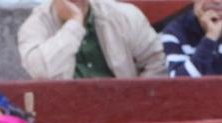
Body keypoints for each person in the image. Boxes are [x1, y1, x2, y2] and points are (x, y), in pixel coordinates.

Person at [17, 0, 167, 80]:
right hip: (67, 116)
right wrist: (74, 24)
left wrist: (136, 100)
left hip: (125, 111)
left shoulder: (123, 15)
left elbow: (158, 62)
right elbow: (41, 73)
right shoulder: (35, 25)